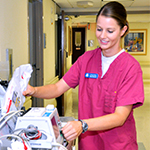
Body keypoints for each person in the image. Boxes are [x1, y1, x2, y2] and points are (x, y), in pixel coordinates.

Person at [23, 1, 144, 150]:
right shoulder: (87, 60)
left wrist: (83, 124)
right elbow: (57, 88)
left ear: (123, 30)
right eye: (99, 29)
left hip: (118, 144)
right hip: (89, 144)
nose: (102, 36)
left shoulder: (130, 67)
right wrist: (33, 91)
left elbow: (120, 117)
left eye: (110, 31)